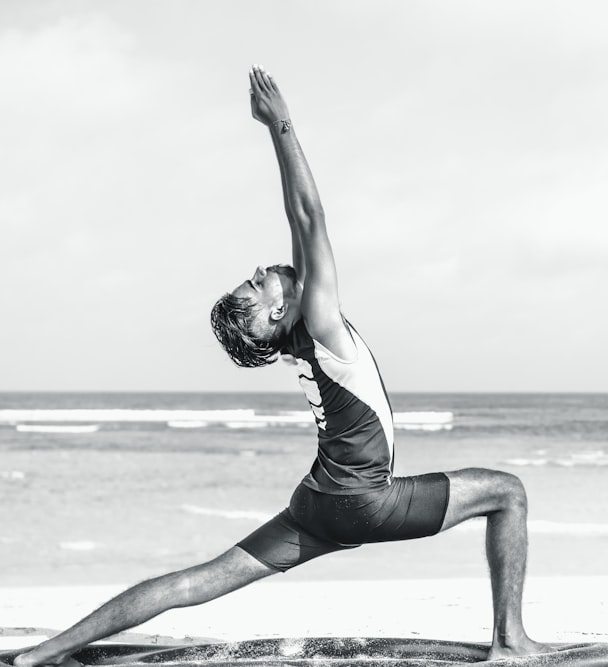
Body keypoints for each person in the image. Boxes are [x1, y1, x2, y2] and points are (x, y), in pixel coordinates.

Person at [13, 65, 548, 667]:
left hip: (315, 502)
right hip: (362, 501)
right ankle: (511, 642)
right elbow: (313, 218)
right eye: (256, 280)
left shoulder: (301, 334)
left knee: (196, 581)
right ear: (274, 313)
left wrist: (273, 138)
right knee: (508, 493)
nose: (264, 268)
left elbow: (298, 223)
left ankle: (45, 653)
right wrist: (281, 125)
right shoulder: (320, 325)